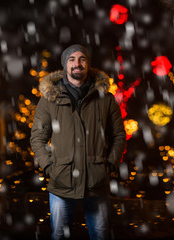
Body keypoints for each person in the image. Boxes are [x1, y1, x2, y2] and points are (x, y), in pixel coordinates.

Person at [30, 44, 126, 240]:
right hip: (60, 181)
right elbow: (38, 138)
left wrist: (110, 163)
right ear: (65, 64)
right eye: (71, 59)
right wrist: (49, 166)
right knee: (59, 235)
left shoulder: (105, 99)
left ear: (88, 64)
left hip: (96, 182)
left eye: (82, 58)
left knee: (100, 234)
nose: (77, 63)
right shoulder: (49, 100)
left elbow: (118, 135)